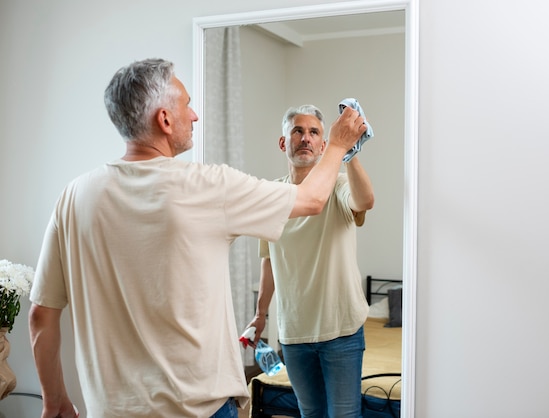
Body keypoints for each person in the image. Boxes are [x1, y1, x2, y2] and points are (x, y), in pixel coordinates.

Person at [28, 59, 366, 418]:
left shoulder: (74, 196)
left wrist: (55, 400)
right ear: (164, 119)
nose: (194, 116)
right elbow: (312, 199)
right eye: (186, 105)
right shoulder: (207, 186)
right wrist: (339, 144)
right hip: (197, 409)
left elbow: (41, 317)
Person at [247, 104, 375, 418]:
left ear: (323, 146)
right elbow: (269, 260)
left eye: (314, 132)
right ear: (283, 143)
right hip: (293, 335)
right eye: (298, 131)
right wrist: (260, 314)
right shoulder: (271, 195)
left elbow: (365, 201)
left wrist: (349, 151)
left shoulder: (339, 184)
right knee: (310, 414)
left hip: (341, 331)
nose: (306, 138)